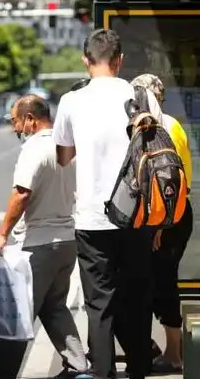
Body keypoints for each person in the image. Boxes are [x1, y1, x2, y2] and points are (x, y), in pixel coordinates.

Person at [53, 29, 166, 379]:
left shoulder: (72, 101)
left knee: (99, 305)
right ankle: (138, 371)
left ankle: (103, 373)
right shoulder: (141, 96)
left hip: (91, 219)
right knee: (138, 298)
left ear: (85, 61)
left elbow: (62, 156)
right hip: (136, 217)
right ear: (120, 61)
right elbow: (158, 153)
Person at [0, 94, 90, 379]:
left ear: (30, 119)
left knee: (18, 316)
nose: (14, 129)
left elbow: (21, 193)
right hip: (66, 242)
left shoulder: (34, 148)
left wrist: (2, 233)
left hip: (38, 246)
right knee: (54, 307)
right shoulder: (69, 145)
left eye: (15, 121)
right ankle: (79, 367)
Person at [131, 74, 193, 374]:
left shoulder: (149, 127)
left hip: (162, 216)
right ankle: (167, 349)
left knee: (162, 283)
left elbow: (160, 182)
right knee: (160, 281)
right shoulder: (175, 125)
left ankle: (173, 354)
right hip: (180, 211)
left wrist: (158, 227)